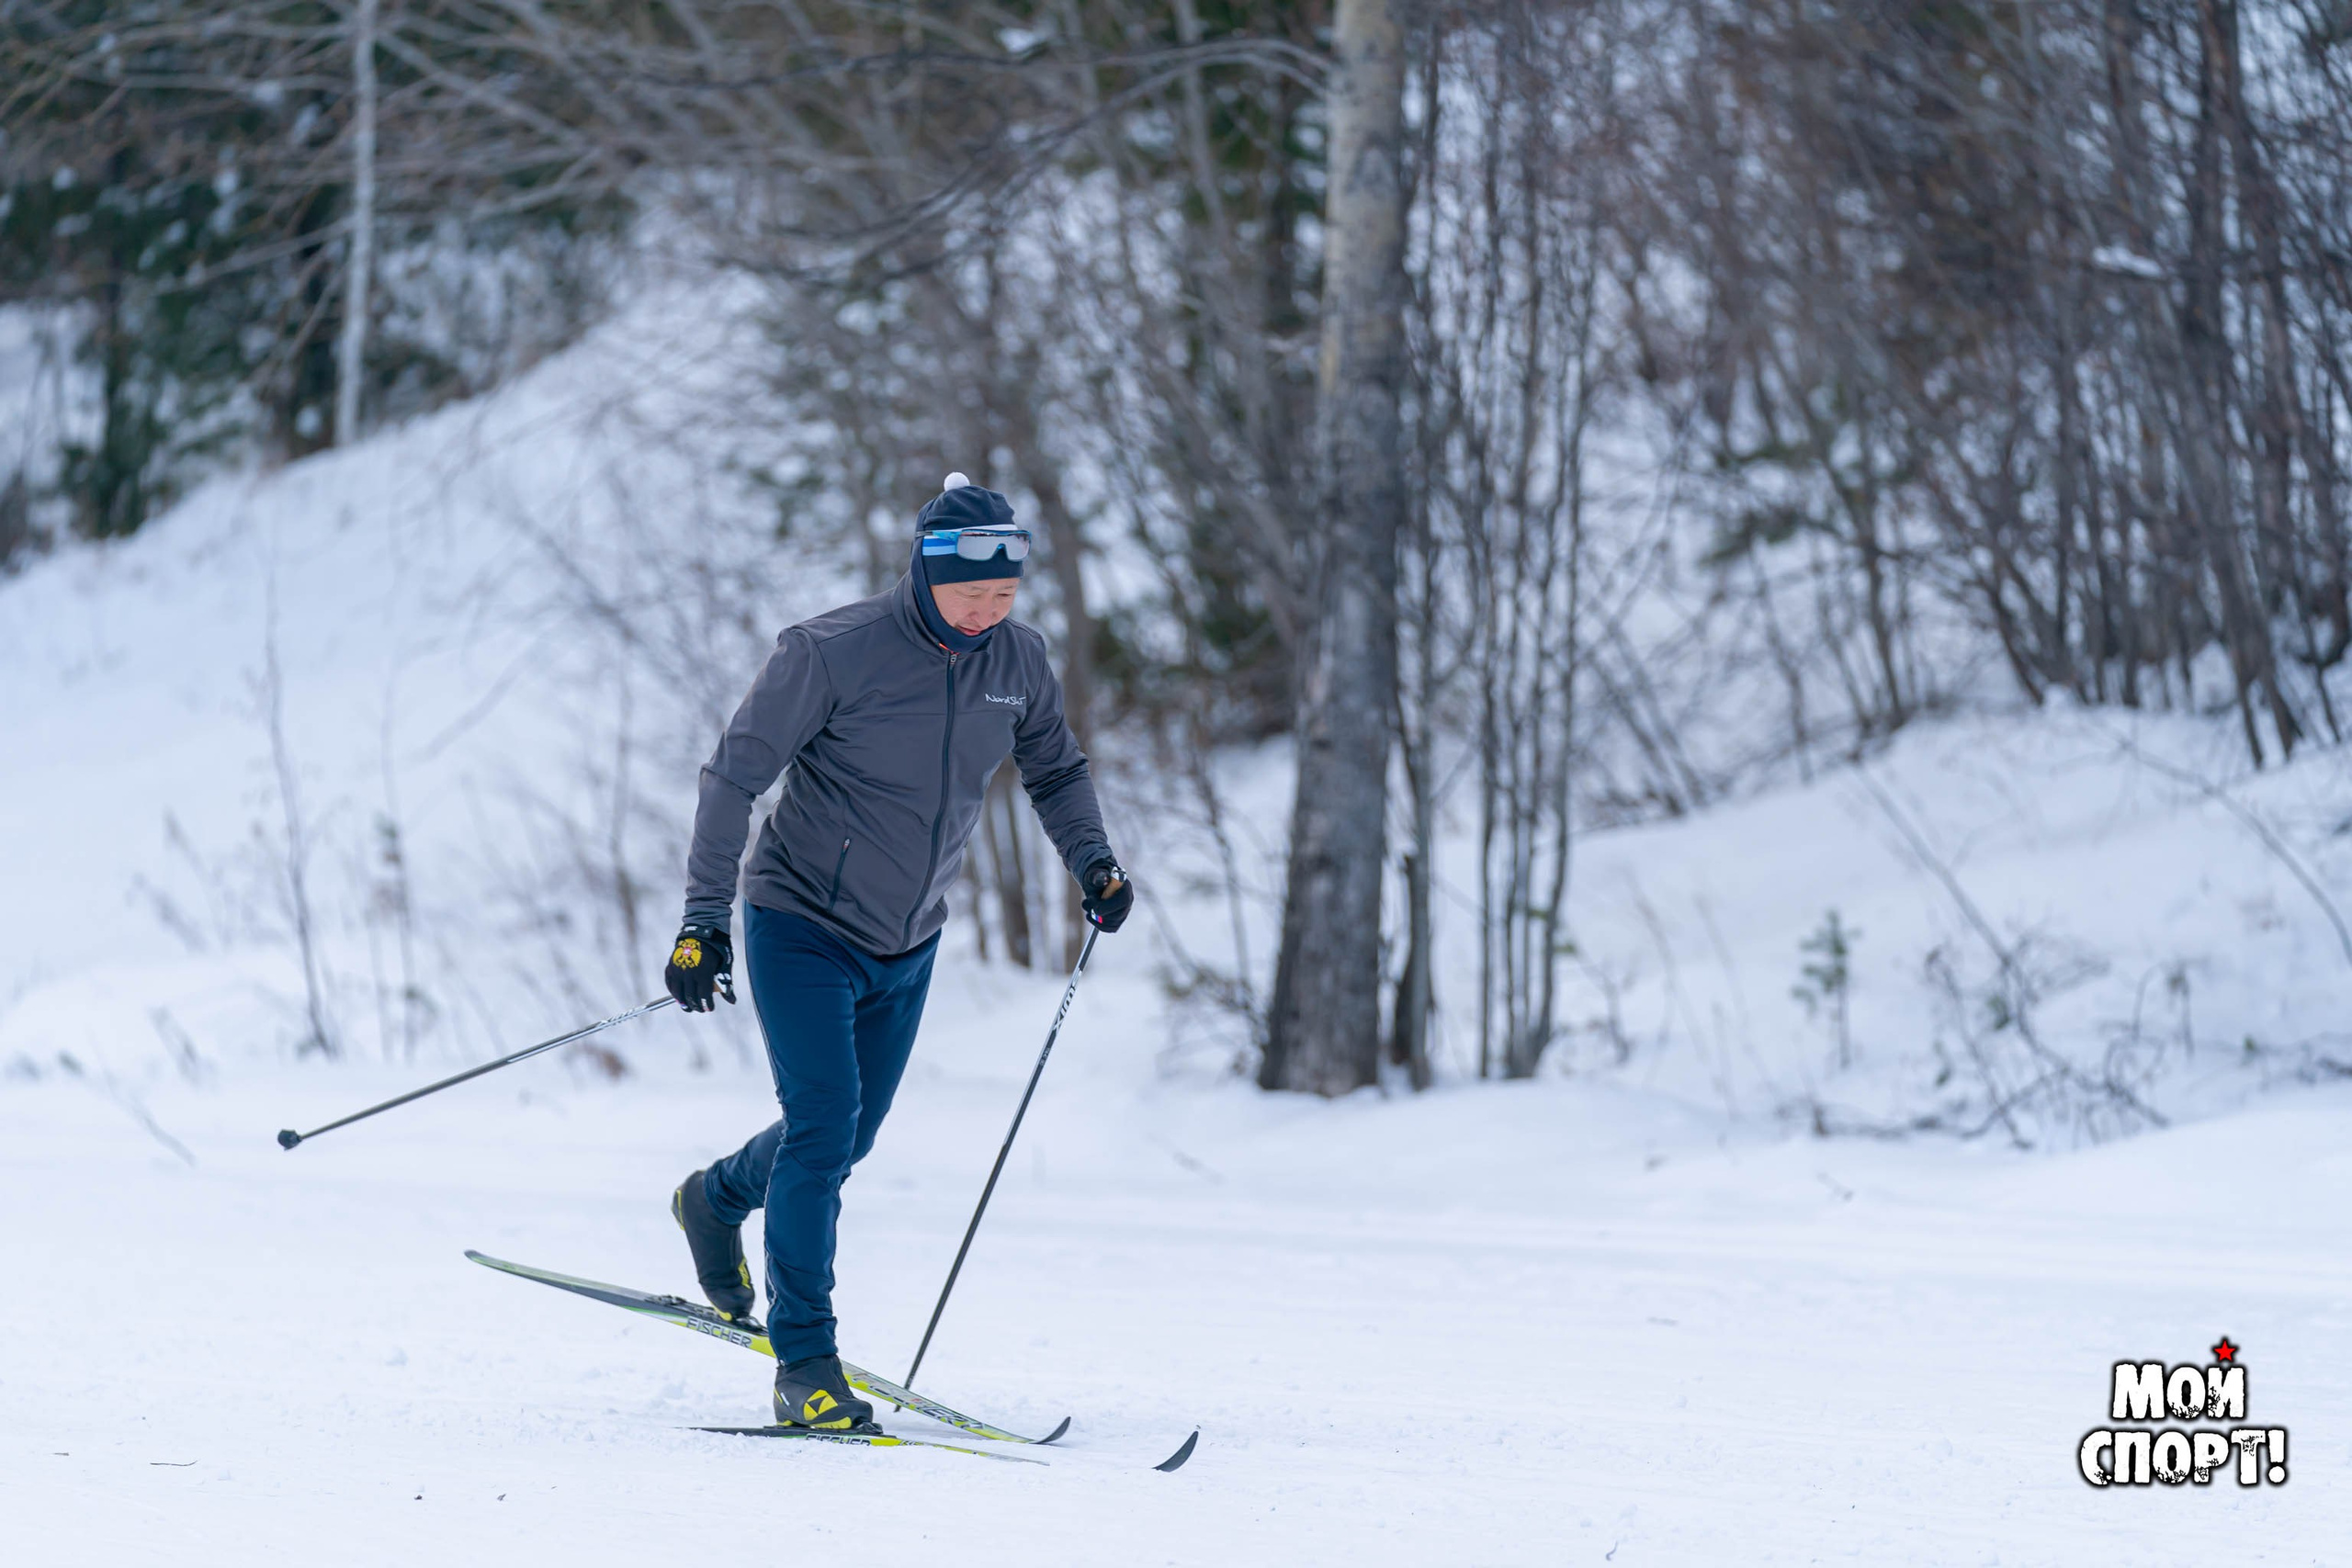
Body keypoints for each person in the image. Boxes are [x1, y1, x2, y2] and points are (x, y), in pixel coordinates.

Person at [660, 473, 1133, 1433]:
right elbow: (731, 778)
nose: (986, 614)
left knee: (846, 1137)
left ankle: (715, 1200)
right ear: (924, 574)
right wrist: (702, 921)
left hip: (908, 939)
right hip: (800, 920)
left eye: (1004, 597)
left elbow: (1055, 767)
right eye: (970, 595)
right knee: (826, 1126)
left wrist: (1094, 862)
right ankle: (806, 1364)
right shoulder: (831, 652)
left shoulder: (1018, 660)